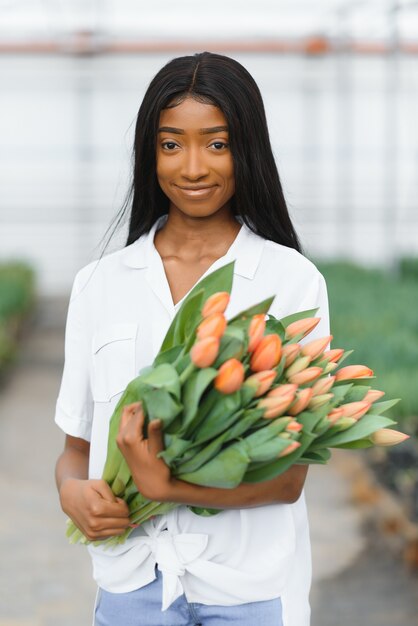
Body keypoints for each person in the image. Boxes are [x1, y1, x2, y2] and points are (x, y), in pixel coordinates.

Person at [54, 51, 330, 626]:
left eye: (218, 143)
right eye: (172, 143)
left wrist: (168, 485)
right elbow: (75, 451)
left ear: (246, 150)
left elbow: (288, 478)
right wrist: (72, 494)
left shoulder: (290, 282)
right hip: (132, 585)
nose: (194, 167)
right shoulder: (99, 285)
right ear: (149, 152)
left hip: (248, 591)